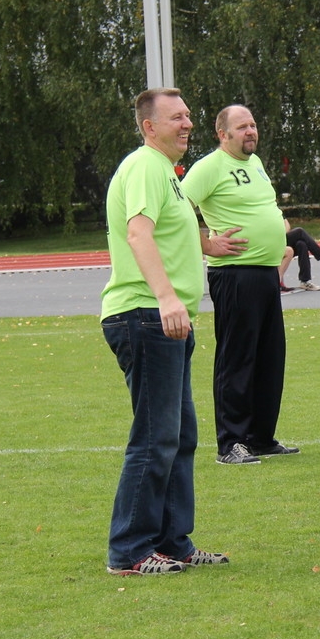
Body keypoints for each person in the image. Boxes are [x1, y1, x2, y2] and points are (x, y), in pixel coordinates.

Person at [99, 88, 239, 575]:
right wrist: (165, 298)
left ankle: (172, 542)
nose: (187, 124)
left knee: (179, 436)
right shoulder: (144, 165)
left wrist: (207, 243)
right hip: (144, 315)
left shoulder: (168, 174)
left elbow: (165, 230)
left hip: (165, 318)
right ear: (148, 127)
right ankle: (130, 551)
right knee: (156, 436)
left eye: (188, 116)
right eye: (175, 117)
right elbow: (138, 232)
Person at [181, 104, 300, 464]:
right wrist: (206, 243)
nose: (251, 131)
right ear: (223, 134)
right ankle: (230, 442)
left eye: (253, 124)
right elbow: (176, 206)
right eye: (242, 126)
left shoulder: (256, 163)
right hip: (234, 274)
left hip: (264, 273)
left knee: (270, 357)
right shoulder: (209, 167)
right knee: (238, 359)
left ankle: (261, 437)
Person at [278, 219, 320, 293]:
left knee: (301, 244)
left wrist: (282, 234)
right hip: (272, 243)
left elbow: (286, 223)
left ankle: (305, 281)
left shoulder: (276, 210)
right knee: (299, 232)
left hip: (281, 239)